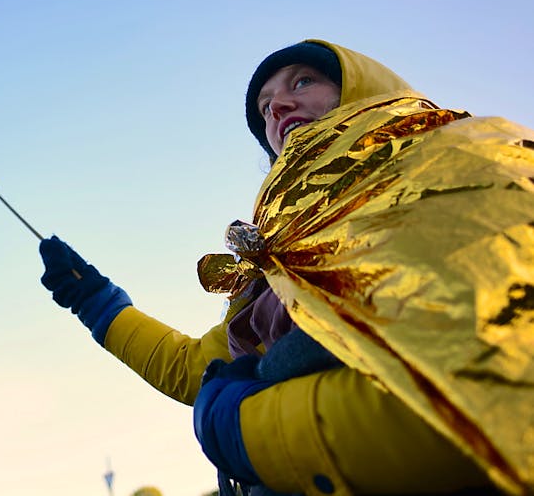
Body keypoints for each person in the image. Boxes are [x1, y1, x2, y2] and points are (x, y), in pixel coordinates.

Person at [39, 40, 533, 495]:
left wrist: (248, 432)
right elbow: (198, 368)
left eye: (302, 81)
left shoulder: (463, 163)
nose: (276, 107)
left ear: (362, 90)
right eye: (264, 108)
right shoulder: (275, 262)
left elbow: (494, 389)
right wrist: (97, 303)